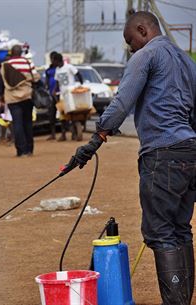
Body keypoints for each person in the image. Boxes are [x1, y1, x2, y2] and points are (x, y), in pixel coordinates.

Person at [66, 11, 196, 304]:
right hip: (189, 152)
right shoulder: (187, 61)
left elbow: (122, 102)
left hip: (161, 156)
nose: (130, 48)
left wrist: (95, 140)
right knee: (180, 230)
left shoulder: (146, 56)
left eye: (130, 41)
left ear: (142, 30)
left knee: (162, 233)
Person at [0, 45, 40, 156]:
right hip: (27, 96)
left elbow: (2, 81)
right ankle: (29, 149)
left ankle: (21, 151)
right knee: (27, 122)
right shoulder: (28, 62)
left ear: (12, 53)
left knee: (17, 124)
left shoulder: (5, 65)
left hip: (13, 98)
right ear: (21, 53)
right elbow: (36, 77)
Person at [53, 53, 85, 141]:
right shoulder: (57, 70)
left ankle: (74, 132)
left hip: (71, 93)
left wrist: (81, 84)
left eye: (53, 60)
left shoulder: (69, 67)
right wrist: (55, 90)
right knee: (62, 114)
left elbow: (78, 74)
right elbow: (57, 82)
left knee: (73, 113)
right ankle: (63, 135)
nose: (52, 62)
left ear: (57, 60)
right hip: (63, 95)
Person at [45, 51, 59, 140]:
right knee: (51, 114)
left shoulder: (60, 68)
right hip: (51, 94)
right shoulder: (48, 70)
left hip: (59, 94)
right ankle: (53, 133)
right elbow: (46, 81)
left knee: (62, 114)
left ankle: (65, 132)